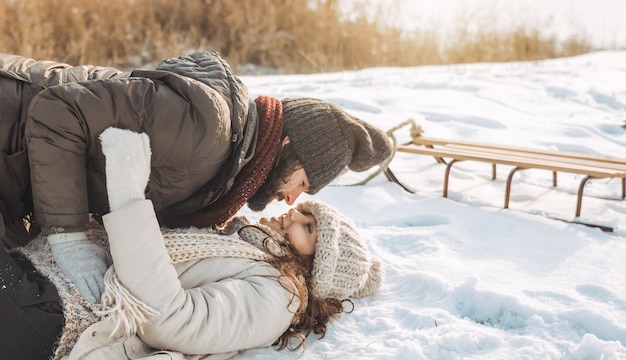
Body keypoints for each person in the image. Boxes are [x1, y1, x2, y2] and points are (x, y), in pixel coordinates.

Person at [0, 128, 383, 360]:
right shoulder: (241, 240)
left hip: (49, 312)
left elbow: (170, 318)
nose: (293, 214)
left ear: (316, 268)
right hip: (36, 272)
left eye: (308, 228)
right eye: (307, 213)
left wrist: (129, 199)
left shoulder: (277, 297)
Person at [0, 50, 393, 249]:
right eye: (303, 182)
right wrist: (67, 237)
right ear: (289, 143)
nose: (290, 198)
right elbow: (59, 111)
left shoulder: (225, 166)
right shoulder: (208, 130)